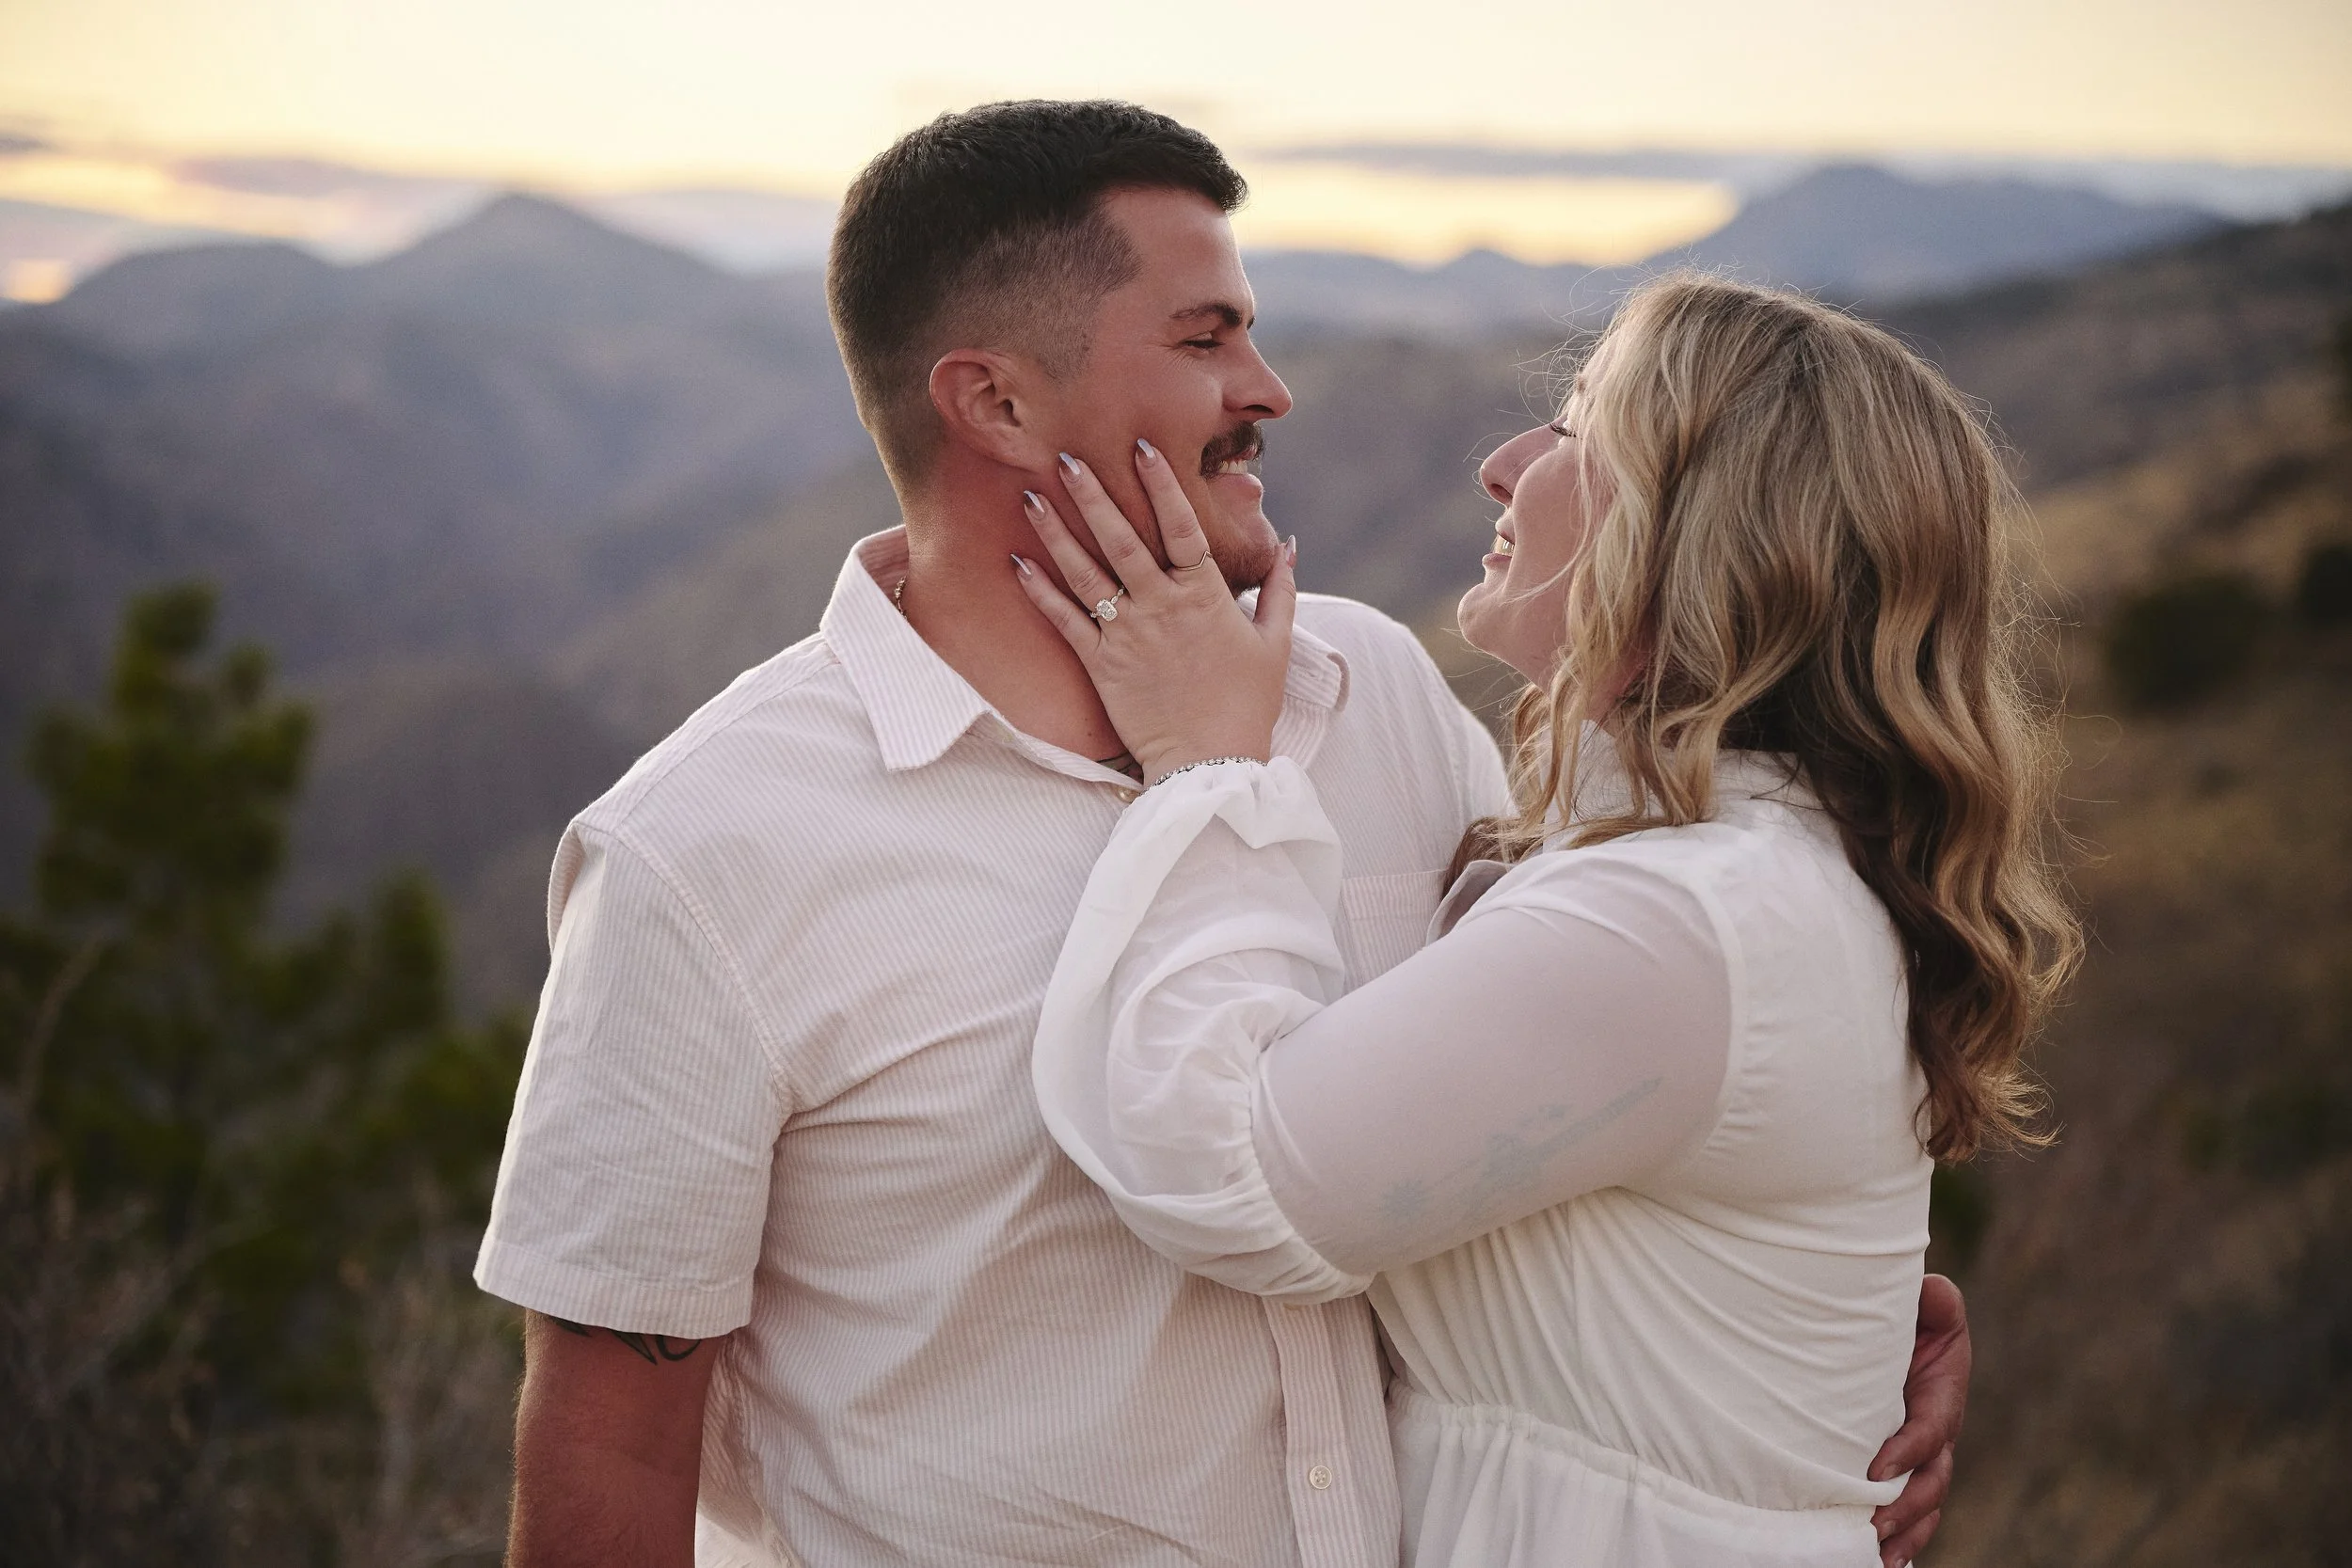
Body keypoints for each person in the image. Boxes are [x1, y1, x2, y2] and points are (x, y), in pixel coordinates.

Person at [474, 102, 1967, 1567]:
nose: (1273, 387)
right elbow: (611, 1434)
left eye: (1248, 327)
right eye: (1205, 340)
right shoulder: (705, 850)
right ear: (995, 403)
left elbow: (1591, 1067)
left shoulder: (1373, 692)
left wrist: (1813, 1319)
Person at [1019, 275, 2074, 1567]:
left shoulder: (1683, 917)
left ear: (1708, 534)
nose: (1504, 463)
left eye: (1578, 432)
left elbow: (1221, 1164)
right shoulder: (1702, 868)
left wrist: (1202, 768)